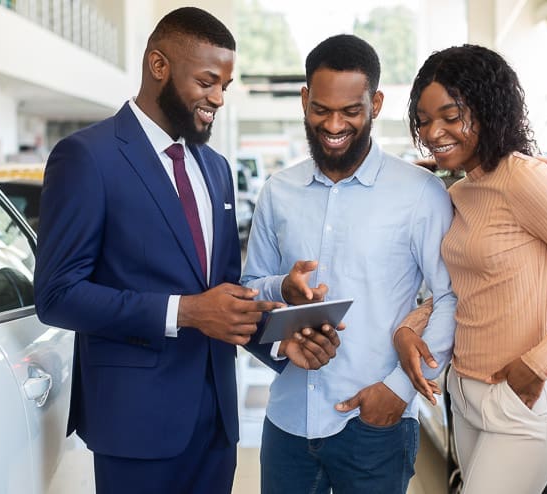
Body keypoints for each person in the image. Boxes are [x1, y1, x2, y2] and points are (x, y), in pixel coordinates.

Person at [34, 8, 340, 494]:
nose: (218, 98)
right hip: (135, 423)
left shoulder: (215, 167)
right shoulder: (87, 157)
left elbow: (223, 294)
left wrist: (280, 339)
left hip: (216, 420)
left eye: (226, 85)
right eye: (207, 81)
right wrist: (187, 312)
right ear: (159, 66)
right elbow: (57, 295)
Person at [395, 44, 547, 493]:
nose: (433, 131)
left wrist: (540, 362)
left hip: (521, 401)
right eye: (424, 120)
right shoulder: (462, 192)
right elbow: (464, 288)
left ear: (486, 108)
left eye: (450, 115)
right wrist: (409, 327)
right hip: (462, 394)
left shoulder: (525, 178)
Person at [241, 34, 457, 494]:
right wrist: (282, 289)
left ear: (375, 103)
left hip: (374, 424)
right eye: (320, 109)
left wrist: (398, 392)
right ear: (304, 100)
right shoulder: (278, 191)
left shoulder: (420, 193)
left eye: (350, 111)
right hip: (287, 422)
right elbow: (249, 289)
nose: (333, 124)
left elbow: (451, 299)